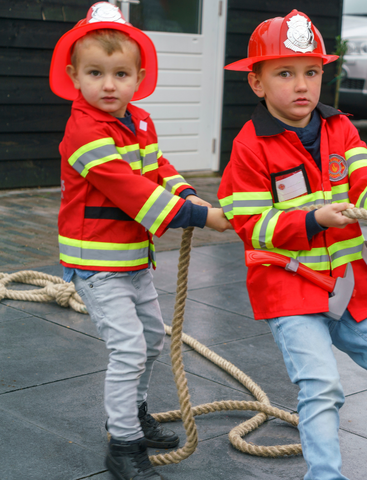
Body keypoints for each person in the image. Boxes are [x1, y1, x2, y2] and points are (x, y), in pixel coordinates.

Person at [218, 10, 367, 480]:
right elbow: (248, 224)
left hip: (348, 287)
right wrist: (311, 221)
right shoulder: (250, 147)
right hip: (290, 292)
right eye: (284, 73)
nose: (302, 85)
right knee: (322, 388)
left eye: (312, 72)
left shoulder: (340, 128)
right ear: (257, 83)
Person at [49, 3, 231, 479]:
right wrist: (198, 215)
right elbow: (129, 189)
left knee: (151, 339)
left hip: (132, 259)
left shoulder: (140, 121)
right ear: (74, 76)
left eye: (120, 74)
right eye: (96, 73)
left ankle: (133, 413)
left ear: (138, 76)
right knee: (128, 347)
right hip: (96, 263)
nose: (109, 85)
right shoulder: (84, 131)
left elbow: (157, 169)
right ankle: (122, 443)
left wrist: (187, 192)